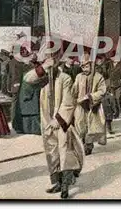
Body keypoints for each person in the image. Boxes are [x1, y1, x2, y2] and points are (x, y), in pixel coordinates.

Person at [23, 56, 85, 199]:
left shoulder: (65, 78)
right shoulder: (42, 78)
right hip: (47, 122)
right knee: (52, 153)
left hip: (61, 122)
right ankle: (57, 182)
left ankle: (65, 186)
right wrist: (43, 68)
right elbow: (27, 79)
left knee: (65, 152)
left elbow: (68, 102)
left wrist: (58, 119)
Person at [73, 53, 107, 156]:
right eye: (83, 66)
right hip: (80, 105)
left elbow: (102, 90)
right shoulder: (79, 77)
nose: (85, 69)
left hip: (93, 105)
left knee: (91, 127)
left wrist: (91, 96)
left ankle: (88, 146)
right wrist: (74, 98)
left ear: (91, 65)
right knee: (80, 126)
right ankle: (81, 143)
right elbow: (74, 90)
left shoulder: (98, 77)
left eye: (87, 66)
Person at [13, 52, 42, 135]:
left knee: (32, 111)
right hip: (26, 89)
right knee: (27, 110)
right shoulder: (25, 66)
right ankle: (26, 128)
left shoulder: (36, 67)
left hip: (32, 90)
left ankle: (32, 129)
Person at [95, 55, 116, 134]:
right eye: (99, 61)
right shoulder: (95, 69)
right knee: (99, 112)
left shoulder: (104, 67)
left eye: (101, 61)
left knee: (107, 110)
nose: (101, 62)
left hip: (105, 89)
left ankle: (109, 129)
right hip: (98, 92)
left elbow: (107, 76)